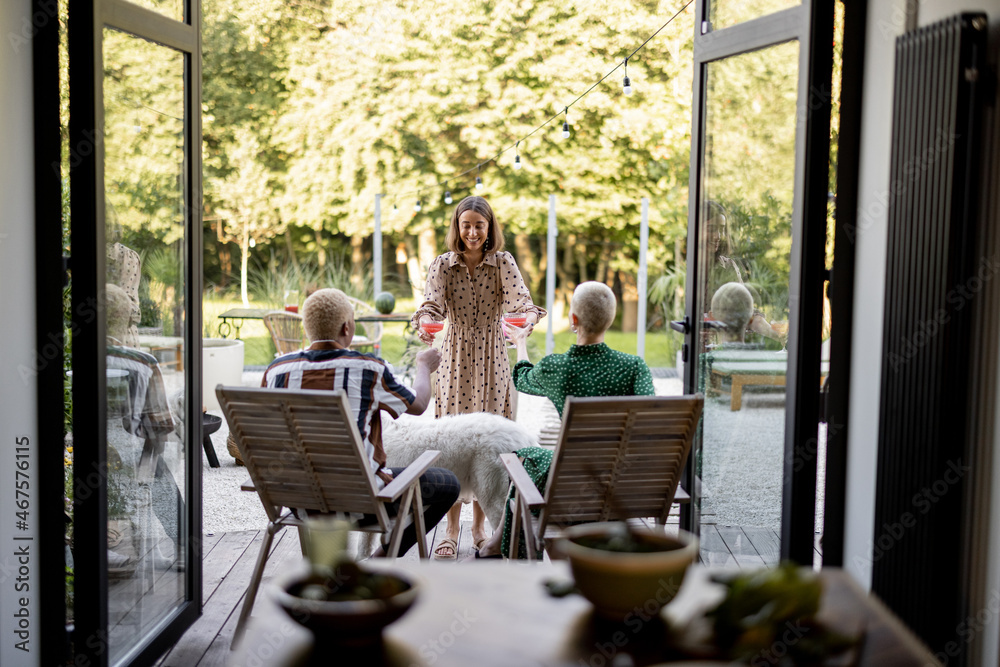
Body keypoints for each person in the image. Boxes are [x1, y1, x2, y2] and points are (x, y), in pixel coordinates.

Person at [263, 288, 460, 558]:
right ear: (347, 327)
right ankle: (378, 560)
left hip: (298, 501)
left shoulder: (276, 371)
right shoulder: (368, 368)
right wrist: (424, 366)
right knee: (449, 483)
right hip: (363, 503)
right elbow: (419, 404)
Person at [473, 281, 654, 559]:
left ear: (573, 320)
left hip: (571, 483)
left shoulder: (556, 367)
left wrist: (520, 343)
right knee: (535, 459)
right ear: (610, 320)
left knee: (525, 457)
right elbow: (647, 416)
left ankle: (504, 543)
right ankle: (500, 541)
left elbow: (521, 378)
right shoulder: (634, 367)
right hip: (622, 484)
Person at [412, 195, 546, 559]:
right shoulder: (443, 264)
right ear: (457, 227)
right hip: (453, 357)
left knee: (489, 442)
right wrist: (426, 324)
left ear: (490, 228)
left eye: (479, 225)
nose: (472, 232)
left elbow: (522, 304)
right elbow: (431, 305)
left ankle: (479, 525)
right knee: (451, 440)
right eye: (466, 224)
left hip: (493, 356)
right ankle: (451, 526)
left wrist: (528, 321)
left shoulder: (503, 261)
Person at [701, 200, 782, 343]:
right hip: (695, 350)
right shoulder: (686, 271)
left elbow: (745, 313)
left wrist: (777, 335)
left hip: (724, 349)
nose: (718, 236)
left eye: (721, 229)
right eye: (711, 228)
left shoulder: (729, 268)